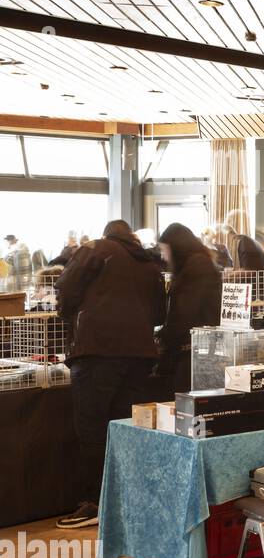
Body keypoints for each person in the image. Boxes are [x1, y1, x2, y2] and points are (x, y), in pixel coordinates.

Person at [53, 221, 165, 530]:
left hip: (97, 352)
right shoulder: (149, 262)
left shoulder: (96, 249)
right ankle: (123, 500)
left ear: (107, 233)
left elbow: (65, 286)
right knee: (125, 429)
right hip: (140, 356)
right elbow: (159, 314)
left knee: (91, 428)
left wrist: (73, 316)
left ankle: (95, 503)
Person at [157, 223, 221, 395]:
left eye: (164, 249)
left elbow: (185, 312)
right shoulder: (199, 264)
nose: (163, 256)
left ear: (176, 247)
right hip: (197, 350)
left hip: (194, 353)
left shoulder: (196, 266)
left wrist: (164, 336)